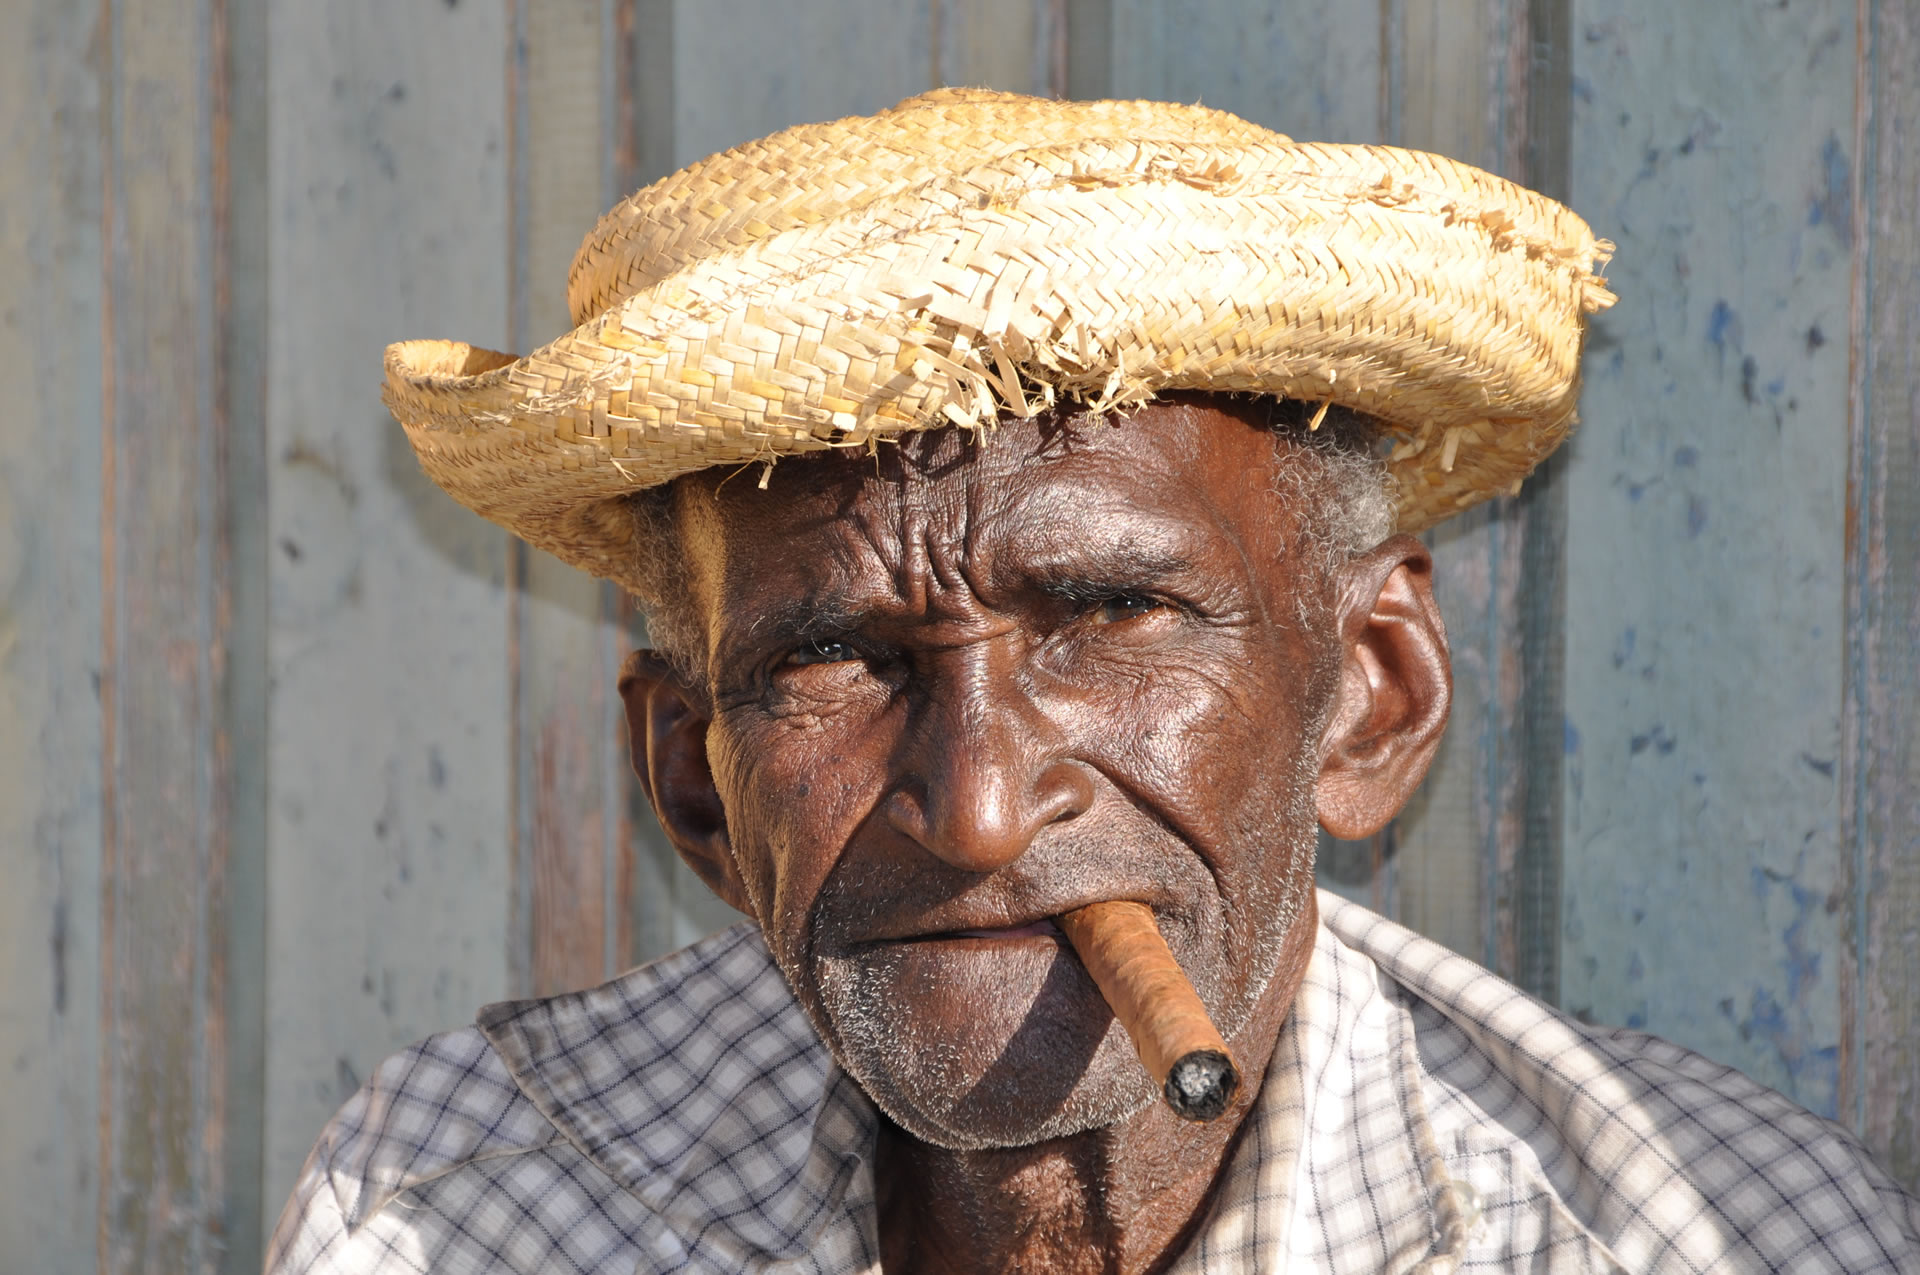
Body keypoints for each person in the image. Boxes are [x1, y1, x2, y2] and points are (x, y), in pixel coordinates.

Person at [267, 89, 1920, 1273]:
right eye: (834, 657)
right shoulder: (461, 1210)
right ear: (697, 785)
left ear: (1372, 699)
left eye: (1113, 616)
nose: (981, 812)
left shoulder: (1697, 1239)